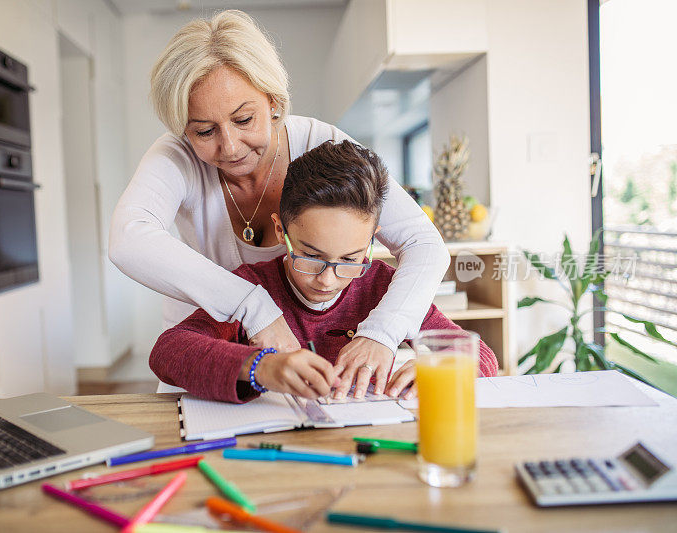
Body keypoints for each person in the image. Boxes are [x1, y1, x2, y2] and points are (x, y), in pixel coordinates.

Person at [109, 10, 450, 396]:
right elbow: (128, 239)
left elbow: (424, 244)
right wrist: (253, 306)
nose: (230, 147)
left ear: (272, 100)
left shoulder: (326, 149)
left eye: (244, 119)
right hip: (213, 357)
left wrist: (382, 333)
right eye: (204, 131)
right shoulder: (176, 156)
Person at [149, 140, 498, 403]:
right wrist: (262, 368)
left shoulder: (383, 286)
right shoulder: (250, 286)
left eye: (350, 259)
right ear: (282, 232)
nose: (327, 279)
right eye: (311, 257)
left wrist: (440, 373)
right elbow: (168, 351)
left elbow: (480, 356)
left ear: (372, 241)